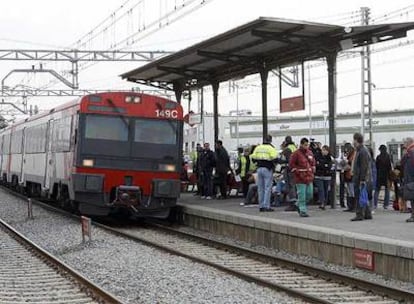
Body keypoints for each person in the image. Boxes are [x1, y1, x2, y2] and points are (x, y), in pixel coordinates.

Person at [251, 134, 278, 212]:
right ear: (270, 140)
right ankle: (266, 206)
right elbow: (275, 158)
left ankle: (261, 206)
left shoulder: (258, 147)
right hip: (267, 169)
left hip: (259, 169)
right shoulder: (271, 148)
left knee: (260, 188)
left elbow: (253, 157)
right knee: (267, 188)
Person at [289, 138, 315, 217]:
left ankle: (298, 204)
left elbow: (313, 162)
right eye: (305, 145)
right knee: (302, 195)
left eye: (307, 145)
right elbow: (291, 165)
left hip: (309, 176)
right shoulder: (296, 154)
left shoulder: (310, 153)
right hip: (300, 178)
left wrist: (313, 168)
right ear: (301, 144)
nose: (306, 147)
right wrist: (297, 172)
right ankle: (303, 210)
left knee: (310, 194)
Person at [350, 133, 373, 221]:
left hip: (360, 178)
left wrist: (362, 179)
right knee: (363, 195)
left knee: (359, 195)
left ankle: (359, 214)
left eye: (353, 140)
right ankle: (367, 213)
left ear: (356, 140)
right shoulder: (361, 150)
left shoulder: (362, 151)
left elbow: (364, 166)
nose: (353, 142)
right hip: (360, 177)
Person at [314, 145, 334, 210]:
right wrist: (324, 165)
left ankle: (324, 202)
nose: (324, 151)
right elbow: (317, 165)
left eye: (326, 150)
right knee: (321, 189)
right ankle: (322, 202)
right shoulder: (317, 156)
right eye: (323, 150)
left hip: (327, 176)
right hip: (318, 176)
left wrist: (322, 165)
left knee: (326, 190)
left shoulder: (329, 157)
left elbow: (329, 166)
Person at [374, 145, 392, 209]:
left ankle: (375, 204)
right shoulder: (388, 157)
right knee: (387, 190)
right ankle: (385, 205)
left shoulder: (378, 157)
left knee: (377, 190)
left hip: (379, 175)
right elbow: (390, 167)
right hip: (386, 175)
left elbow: (376, 166)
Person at [283, 136, 299, 211]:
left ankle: (292, 204)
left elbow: (286, 160)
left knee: (290, 186)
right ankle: (296, 202)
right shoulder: (295, 148)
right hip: (296, 169)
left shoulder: (287, 149)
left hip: (289, 170)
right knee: (294, 186)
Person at [402, 138, 414, 222]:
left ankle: (413, 216)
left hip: (411, 179)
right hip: (410, 178)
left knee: (413, 199)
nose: (404, 145)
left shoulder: (411, 152)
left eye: (405, 143)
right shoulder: (409, 152)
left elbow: (403, 163)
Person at [343, 143, 356, 212]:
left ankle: (353, 206)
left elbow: (351, 164)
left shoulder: (353, 155)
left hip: (351, 175)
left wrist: (346, 166)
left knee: (352, 191)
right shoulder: (349, 155)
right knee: (349, 191)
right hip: (347, 175)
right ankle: (350, 206)